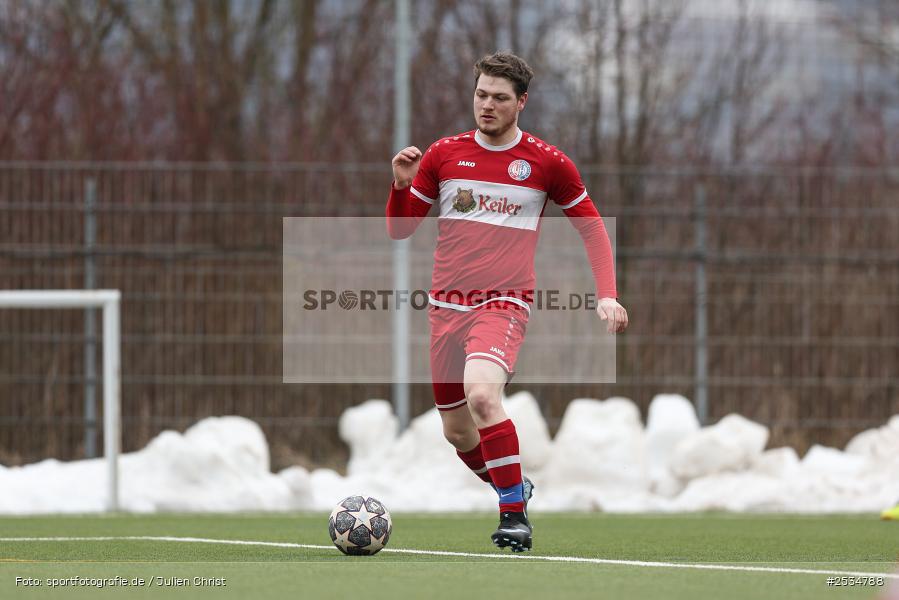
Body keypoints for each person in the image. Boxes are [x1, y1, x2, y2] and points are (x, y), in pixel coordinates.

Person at [385, 52, 628, 552]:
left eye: (499, 97)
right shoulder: (444, 155)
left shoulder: (546, 162)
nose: (487, 105)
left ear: (522, 102)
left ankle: (513, 516)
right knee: (457, 432)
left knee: (482, 397)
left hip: (503, 304)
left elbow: (591, 227)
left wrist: (607, 295)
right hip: (445, 307)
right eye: (481, 95)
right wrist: (400, 186)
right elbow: (400, 229)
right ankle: (514, 485)